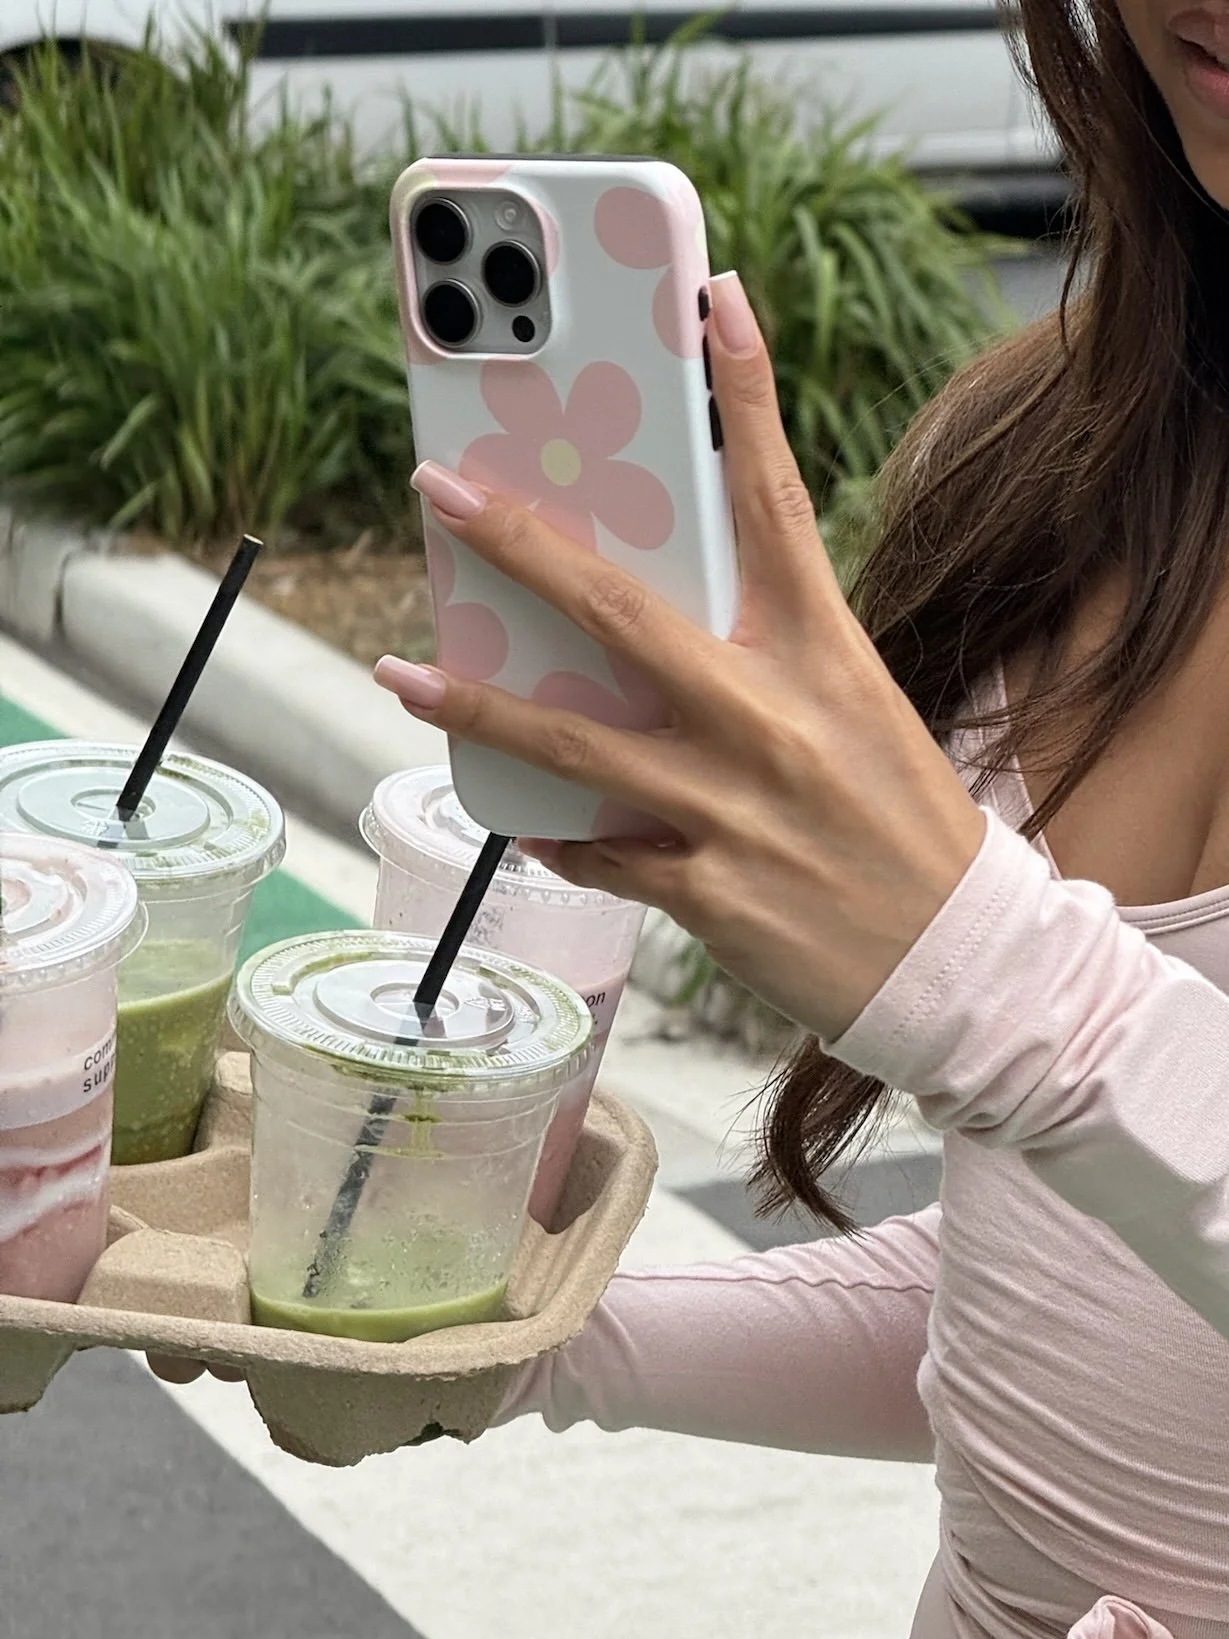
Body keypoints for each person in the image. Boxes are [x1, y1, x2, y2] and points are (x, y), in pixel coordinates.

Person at [155, 3, 1229, 1633]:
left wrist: (990, 976)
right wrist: (518, 1336)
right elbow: (1077, 1298)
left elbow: (1063, 1063)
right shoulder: (1065, 456)